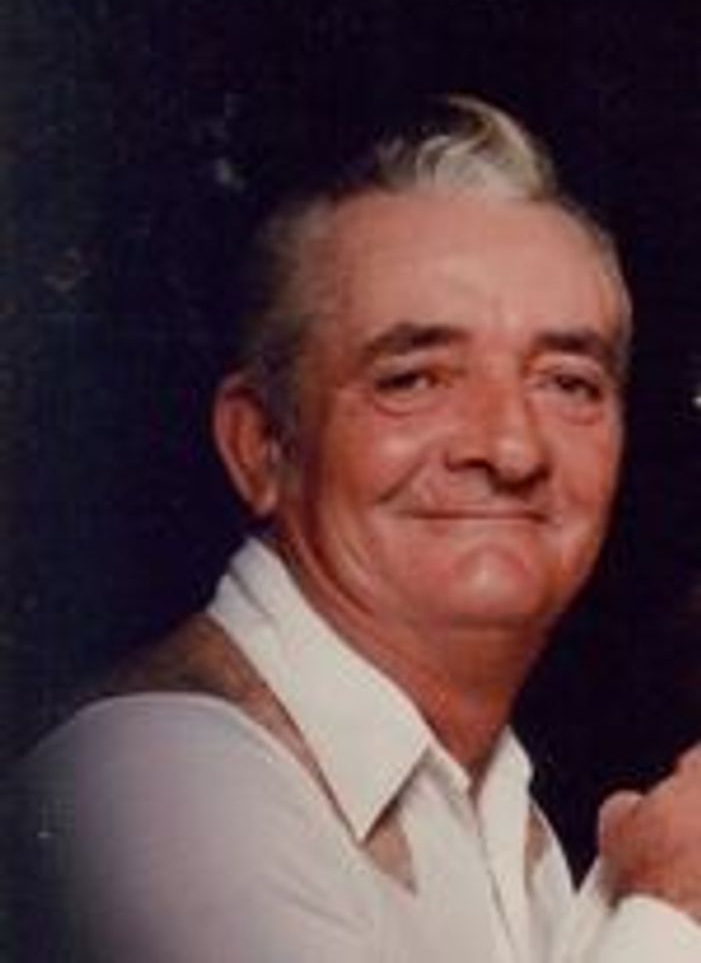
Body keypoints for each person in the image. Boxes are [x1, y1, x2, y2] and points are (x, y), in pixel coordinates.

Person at [11, 95, 701, 962]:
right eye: (414, 380)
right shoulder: (152, 782)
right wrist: (670, 904)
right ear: (261, 445)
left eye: (567, 383)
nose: (511, 448)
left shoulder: (497, 816)